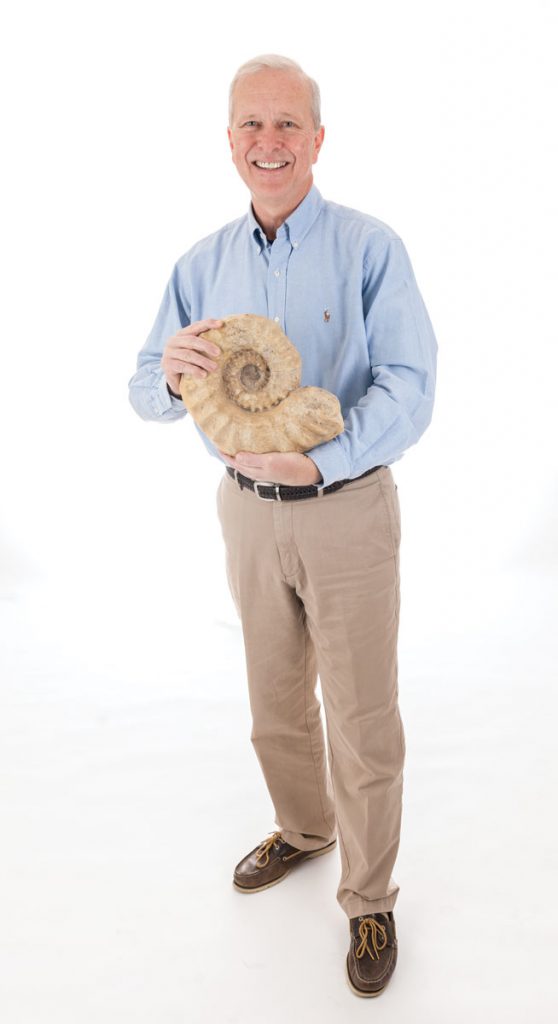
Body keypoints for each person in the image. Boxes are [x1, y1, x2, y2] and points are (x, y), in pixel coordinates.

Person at [128, 53, 437, 998]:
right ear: (230, 140)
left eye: (287, 124)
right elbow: (145, 392)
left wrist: (320, 460)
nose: (270, 143)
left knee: (362, 713)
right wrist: (173, 372)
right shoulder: (199, 264)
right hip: (247, 518)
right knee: (274, 704)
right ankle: (307, 830)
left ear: (317, 139)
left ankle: (371, 897)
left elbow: (411, 387)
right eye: (252, 126)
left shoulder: (370, 246)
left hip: (344, 509)